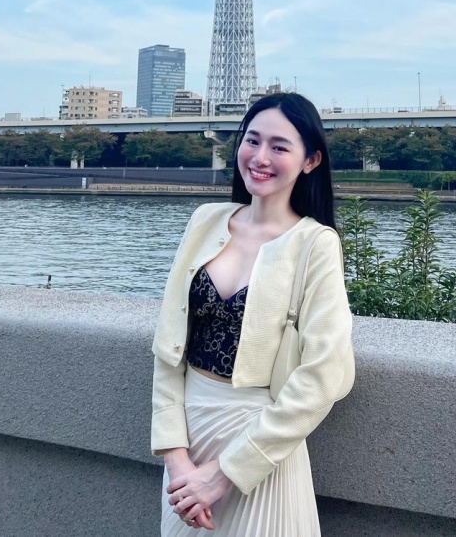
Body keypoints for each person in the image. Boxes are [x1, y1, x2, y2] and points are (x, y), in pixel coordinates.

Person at [151, 92, 355, 535]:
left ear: (310, 161)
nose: (260, 157)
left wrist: (225, 472)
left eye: (279, 147)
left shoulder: (315, 244)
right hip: (189, 444)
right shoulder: (205, 221)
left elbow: (323, 375)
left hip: (260, 446)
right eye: (252, 140)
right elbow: (168, 348)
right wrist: (175, 457)